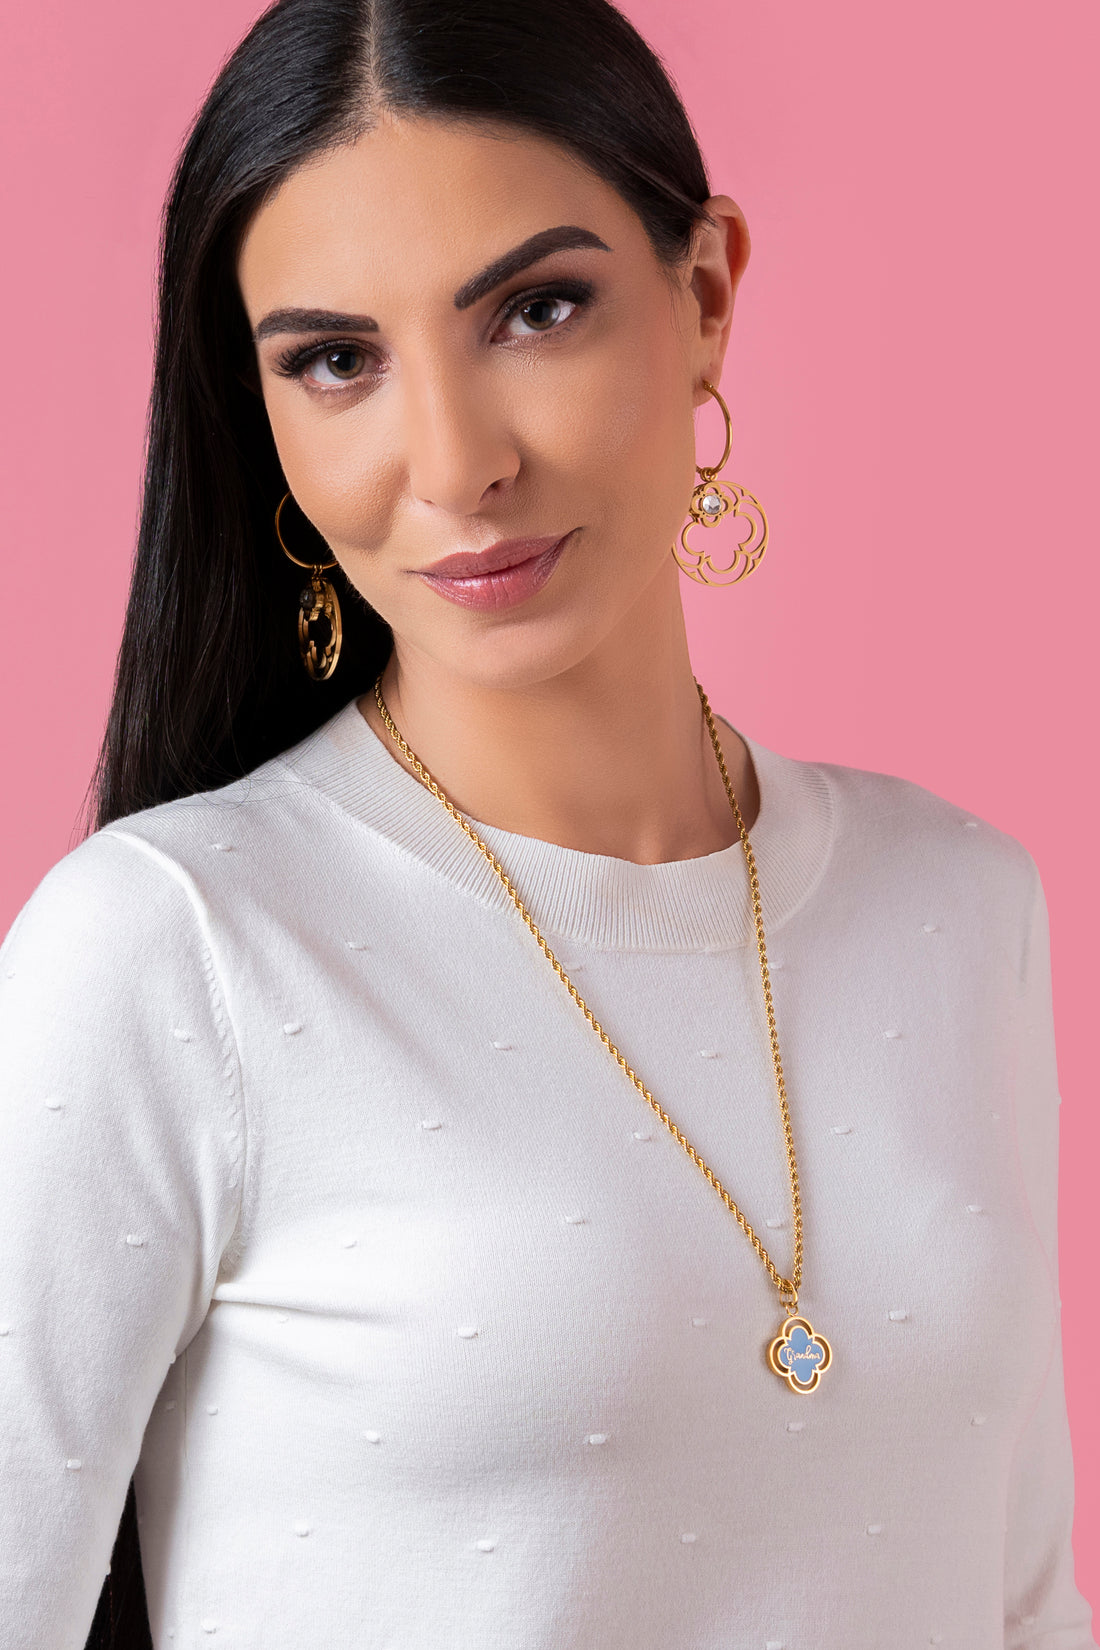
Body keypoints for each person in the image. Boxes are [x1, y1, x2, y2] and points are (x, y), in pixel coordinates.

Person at [0, 0, 1095, 1645]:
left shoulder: (960, 902)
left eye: (536, 310)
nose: (455, 464)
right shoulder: (172, 947)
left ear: (705, 296)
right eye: (336, 360)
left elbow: (1022, 1599)